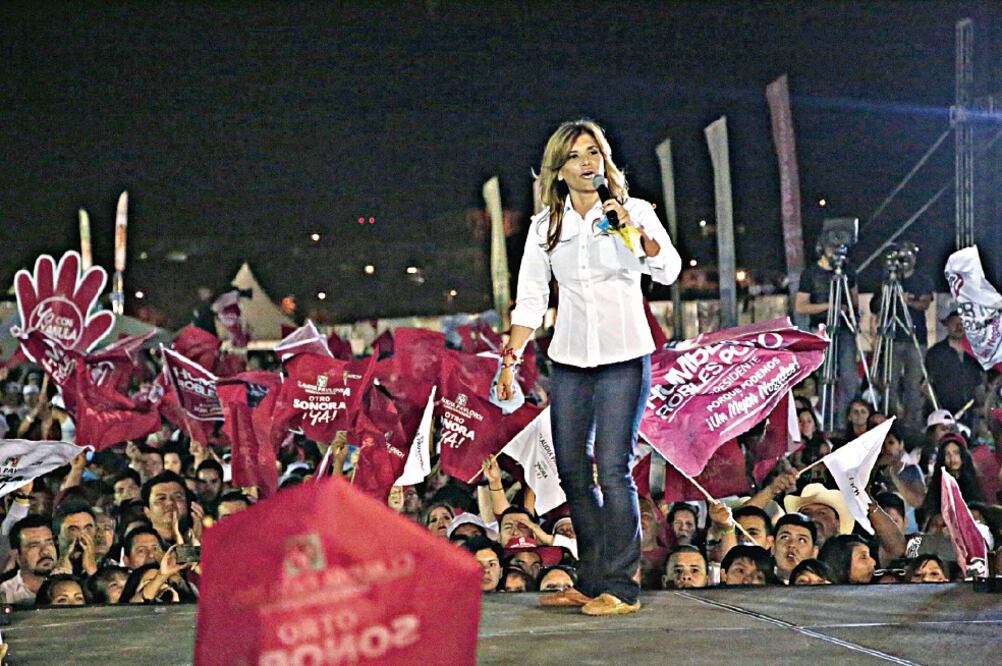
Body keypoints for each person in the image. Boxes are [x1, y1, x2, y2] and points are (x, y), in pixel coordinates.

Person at [497, 119, 680, 616]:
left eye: (594, 153)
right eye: (576, 155)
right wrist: (510, 359)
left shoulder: (632, 210)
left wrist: (630, 231)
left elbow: (667, 268)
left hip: (624, 355)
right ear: (558, 169)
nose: (587, 163)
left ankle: (622, 588)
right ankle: (593, 577)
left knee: (614, 469)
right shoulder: (545, 228)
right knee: (574, 470)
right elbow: (531, 301)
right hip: (571, 359)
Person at [794, 242, 861, 428]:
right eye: (832, 248)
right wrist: (830, 306)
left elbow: (854, 300)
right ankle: (825, 423)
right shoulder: (810, 273)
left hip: (845, 329)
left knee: (849, 377)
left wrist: (853, 316)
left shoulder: (848, 271)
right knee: (826, 378)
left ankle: (844, 423)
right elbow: (800, 306)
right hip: (822, 329)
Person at [867, 243, 933, 430]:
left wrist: (907, 299)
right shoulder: (887, 279)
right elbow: (875, 307)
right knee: (889, 384)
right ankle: (889, 424)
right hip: (892, 338)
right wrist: (888, 292)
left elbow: (925, 303)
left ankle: (913, 427)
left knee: (914, 386)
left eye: (908, 256)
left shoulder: (922, 279)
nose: (905, 261)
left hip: (915, 338)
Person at [925, 310, 985, 428]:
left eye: (962, 323)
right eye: (954, 323)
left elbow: (980, 382)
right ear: (947, 325)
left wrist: (981, 404)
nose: (959, 326)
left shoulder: (974, 353)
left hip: (970, 414)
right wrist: (937, 408)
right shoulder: (936, 353)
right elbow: (926, 385)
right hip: (943, 414)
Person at [2, 515, 58, 606]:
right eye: (34, 546)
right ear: (16, 555)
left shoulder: (73, 586)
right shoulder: (5, 593)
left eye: (49, 543)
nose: (45, 551)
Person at [771, 513, 819, 583]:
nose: (792, 544)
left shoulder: (822, 589)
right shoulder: (759, 584)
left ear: (814, 552)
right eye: (785, 537)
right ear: (772, 546)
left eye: (802, 540)